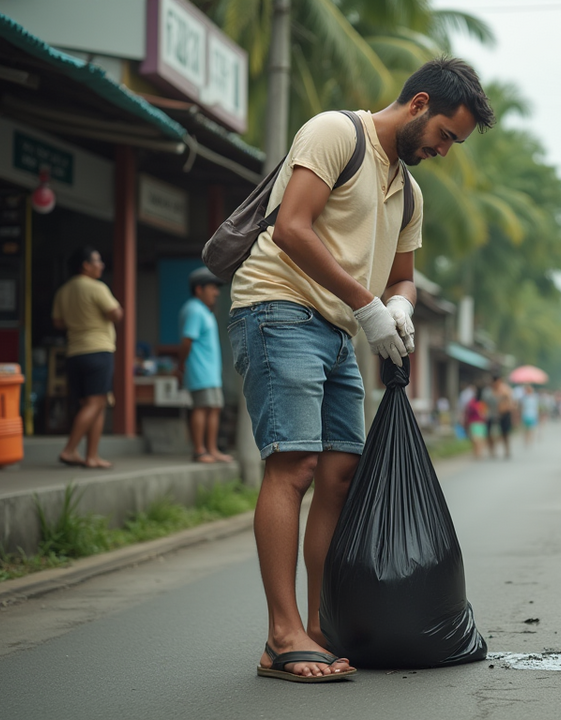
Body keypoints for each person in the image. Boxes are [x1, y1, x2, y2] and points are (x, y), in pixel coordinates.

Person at [227, 58, 494, 682]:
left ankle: (321, 627)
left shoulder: (409, 192)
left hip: (339, 331)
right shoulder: (335, 133)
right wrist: (368, 305)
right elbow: (291, 228)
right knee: (294, 465)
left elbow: (403, 276)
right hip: (278, 308)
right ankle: (282, 635)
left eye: (454, 143)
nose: (444, 151)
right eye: (445, 135)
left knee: (341, 476)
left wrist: (397, 306)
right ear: (419, 103)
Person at [52, 246, 122, 470]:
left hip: (74, 352)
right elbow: (116, 313)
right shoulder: (96, 287)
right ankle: (70, 449)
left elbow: (58, 322)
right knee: (96, 402)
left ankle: (92, 456)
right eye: (97, 261)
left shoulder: (64, 291)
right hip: (98, 350)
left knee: (94, 404)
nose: (101, 265)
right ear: (85, 265)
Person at [179, 268, 232, 464]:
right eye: (212, 288)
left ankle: (212, 449)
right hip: (199, 369)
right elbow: (187, 341)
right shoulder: (194, 309)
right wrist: (181, 365)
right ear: (199, 289)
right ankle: (199, 451)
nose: (216, 293)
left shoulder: (203, 310)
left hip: (209, 371)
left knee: (214, 408)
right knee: (202, 407)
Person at [491, 375, 515, 459]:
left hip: (505, 413)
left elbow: (510, 401)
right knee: (496, 433)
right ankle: (494, 450)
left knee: (505, 433)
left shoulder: (504, 389)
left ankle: (507, 450)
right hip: (497, 414)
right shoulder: (493, 390)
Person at [464, 386, 489, 458]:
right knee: (477, 439)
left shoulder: (478, 403)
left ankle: (478, 453)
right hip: (476, 422)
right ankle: (477, 452)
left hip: (478, 423)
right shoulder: (475, 403)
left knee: (478, 439)